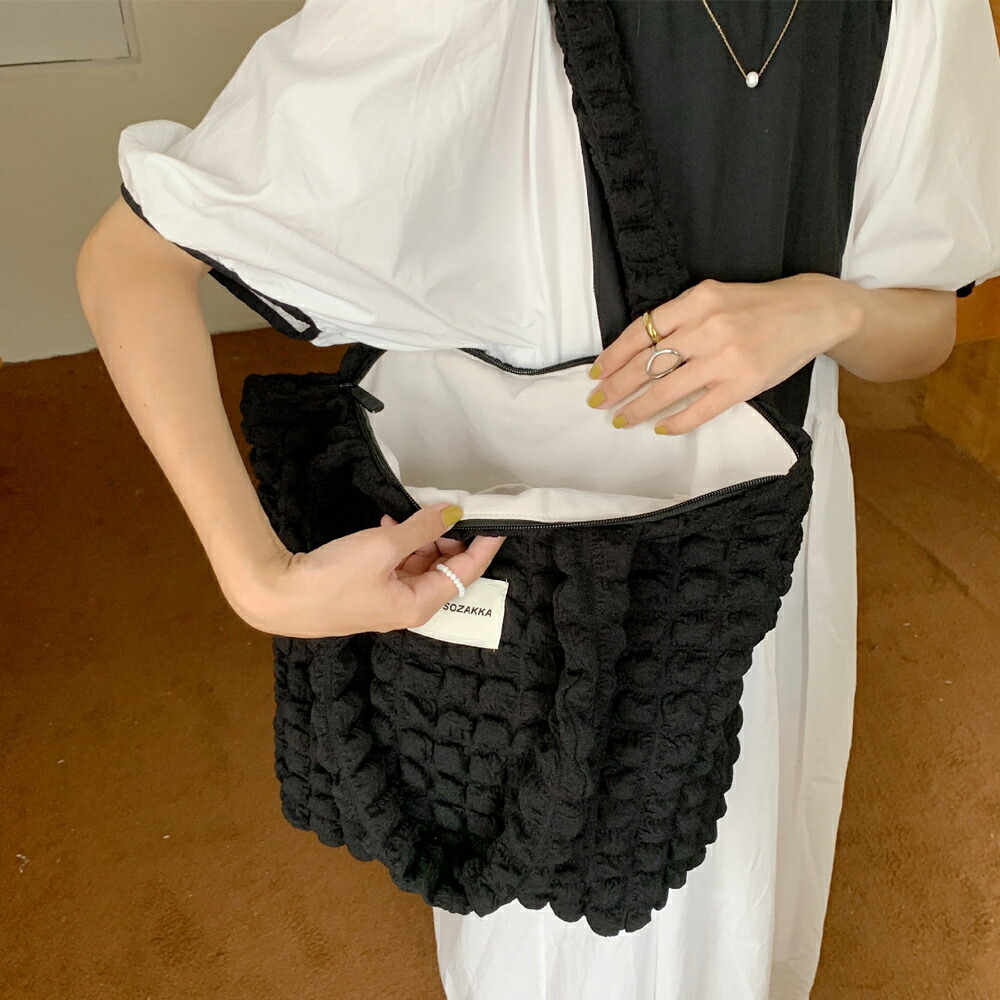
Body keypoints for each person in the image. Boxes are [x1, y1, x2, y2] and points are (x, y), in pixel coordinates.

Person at [76, 1, 1000, 998]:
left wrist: (829, 309)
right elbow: (133, 257)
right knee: (549, 919)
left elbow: (925, 325)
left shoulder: (921, 9)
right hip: (535, 562)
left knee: (738, 889)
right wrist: (259, 581)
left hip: (760, 544)